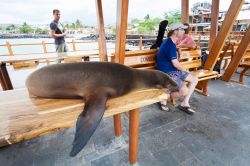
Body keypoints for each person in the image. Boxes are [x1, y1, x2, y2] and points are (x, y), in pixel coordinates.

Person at [156, 23, 198, 115]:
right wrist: (185, 70)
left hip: (174, 71)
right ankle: (163, 97)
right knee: (184, 91)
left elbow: (176, 63)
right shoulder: (169, 44)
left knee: (194, 79)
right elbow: (176, 64)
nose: (184, 31)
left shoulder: (172, 43)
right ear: (175, 31)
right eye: (182, 29)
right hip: (167, 73)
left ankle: (184, 103)